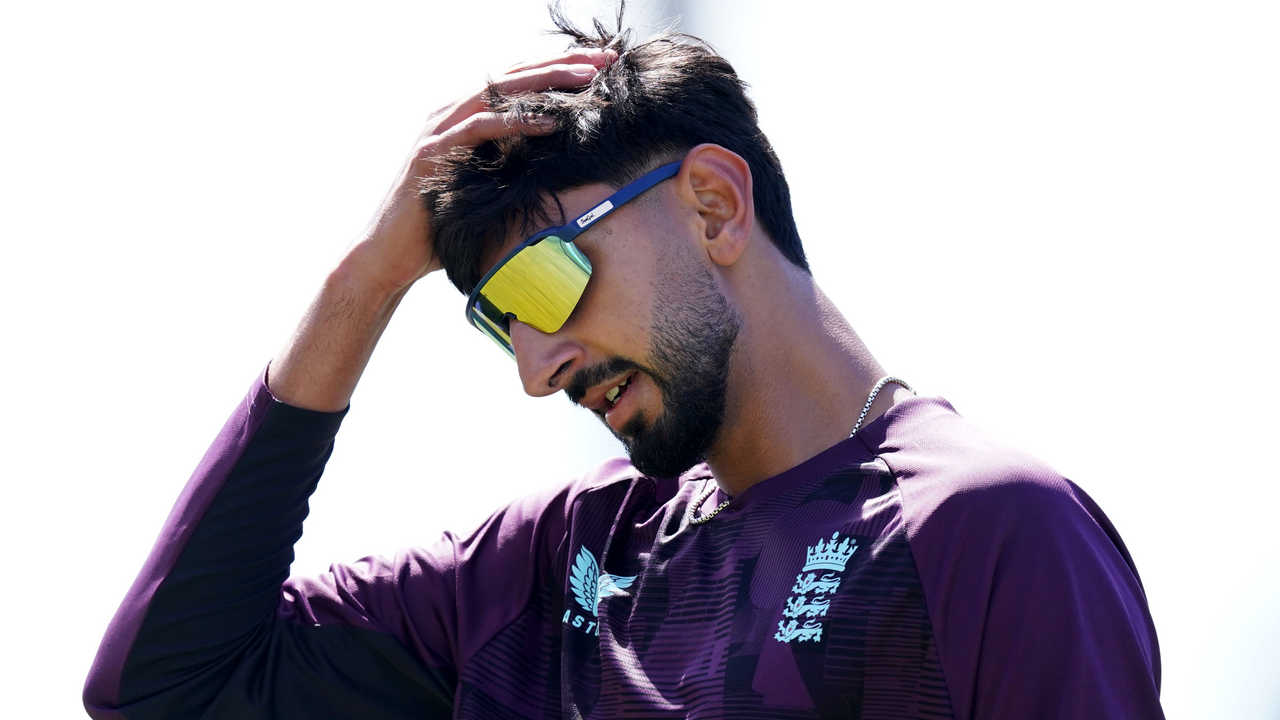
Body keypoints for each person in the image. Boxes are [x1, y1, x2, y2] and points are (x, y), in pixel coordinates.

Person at [84, 8, 1164, 720]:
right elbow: (167, 690)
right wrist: (361, 285)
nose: (536, 368)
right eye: (501, 321)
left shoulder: (982, 532)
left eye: (546, 282)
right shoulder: (555, 566)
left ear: (713, 205)